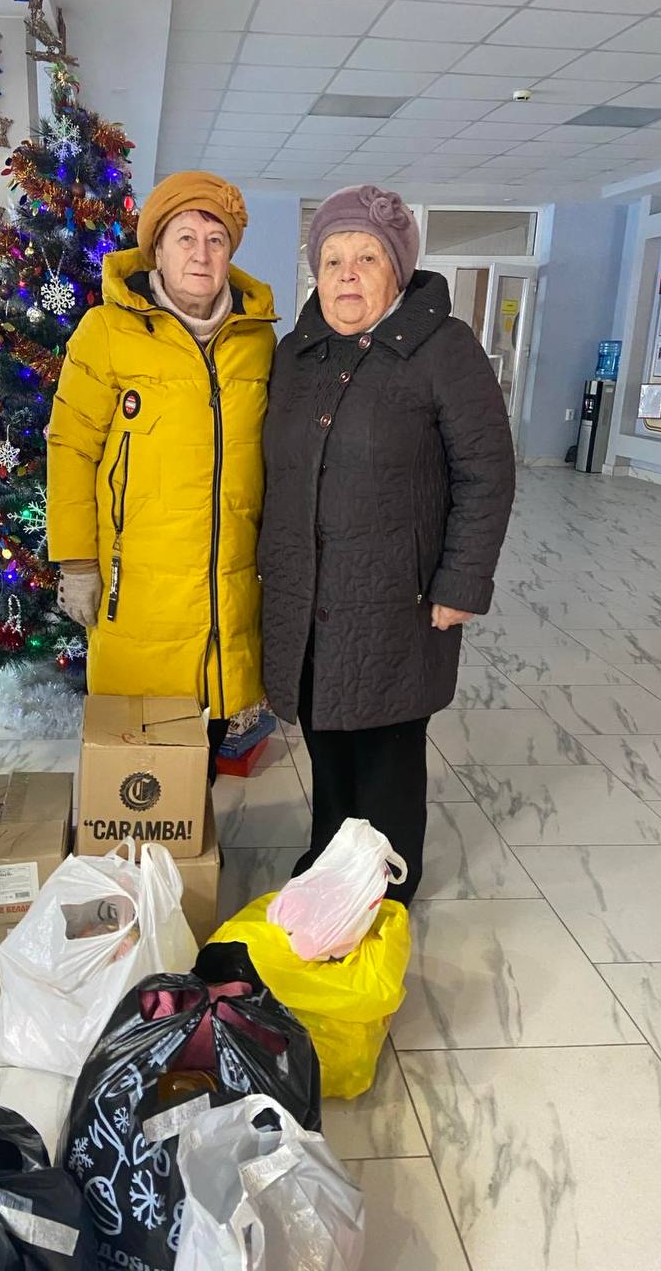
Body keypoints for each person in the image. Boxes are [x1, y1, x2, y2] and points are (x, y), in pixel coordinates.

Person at [259, 185, 515, 903]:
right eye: (332, 259)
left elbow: (487, 472)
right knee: (326, 738)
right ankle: (329, 860)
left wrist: (462, 583)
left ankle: (386, 887)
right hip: (307, 595)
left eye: (367, 258)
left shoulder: (445, 350)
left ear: (396, 269)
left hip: (397, 599)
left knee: (387, 750)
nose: (347, 274)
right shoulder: (296, 354)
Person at [47, 172, 277, 776]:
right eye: (186, 238)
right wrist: (76, 563)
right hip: (138, 588)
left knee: (211, 743)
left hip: (227, 585)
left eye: (216, 240)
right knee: (143, 763)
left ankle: (194, 824)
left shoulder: (258, 341)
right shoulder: (106, 331)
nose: (202, 254)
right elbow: (70, 449)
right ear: (157, 249)